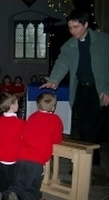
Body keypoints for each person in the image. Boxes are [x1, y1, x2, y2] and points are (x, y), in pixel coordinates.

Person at [40, 9, 109, 166]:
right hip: (81, 90)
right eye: (70, 27)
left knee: (93, 127)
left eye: (76, 27)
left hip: (99, 90)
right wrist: (54, 80)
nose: (73, 31)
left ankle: (85, 162)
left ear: (86, 25)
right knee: (85, 127)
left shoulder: (104, 41)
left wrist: (107, 90)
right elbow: (62, 63)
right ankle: (91, 159)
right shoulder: (70, 45)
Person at [0, 92, 63, 200]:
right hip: (37, 161)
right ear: (53, 107)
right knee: (32, 189)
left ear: (38, 105)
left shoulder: (32, 116)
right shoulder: (55, 119)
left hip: (21, 158)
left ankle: (5, 196)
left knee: (17, 185)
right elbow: (56, 139)